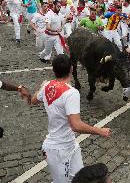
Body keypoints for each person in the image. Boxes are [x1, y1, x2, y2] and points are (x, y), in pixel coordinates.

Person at [31, 54, 111, 183]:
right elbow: (76, 125)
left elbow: (33, 100)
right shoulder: (71, 93)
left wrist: (42, 87)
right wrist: (99, 131)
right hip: (57, 149)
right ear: (71, 70)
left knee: (81, 179)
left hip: (70, 144)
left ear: (54, 70)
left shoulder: (48, 86)